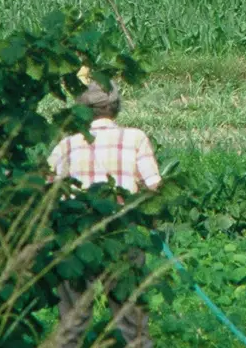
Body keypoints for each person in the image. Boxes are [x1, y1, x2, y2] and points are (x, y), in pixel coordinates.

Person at [47, 81, 162, 348]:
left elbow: (48, 184)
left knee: (72, 322)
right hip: (122, 232)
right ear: (115, 107)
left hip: (76, 235)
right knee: (132, 319)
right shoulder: (135, 138)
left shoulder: (67, 143)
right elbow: (154, 186)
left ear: (82, 110)